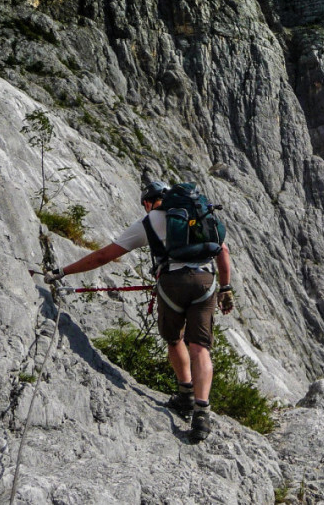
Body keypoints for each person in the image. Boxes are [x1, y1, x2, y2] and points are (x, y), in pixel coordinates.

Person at [44, 181, 234, 442]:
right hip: (206, 282)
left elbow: (104, 256)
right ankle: (202, 413)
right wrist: (226, 287)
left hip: (172, 283)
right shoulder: (200, 213)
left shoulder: (150, 222)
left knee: (174, 338)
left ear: (148, 202)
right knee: (200, 347)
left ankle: (185, 394)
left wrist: (62, 271)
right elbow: (222, 250)